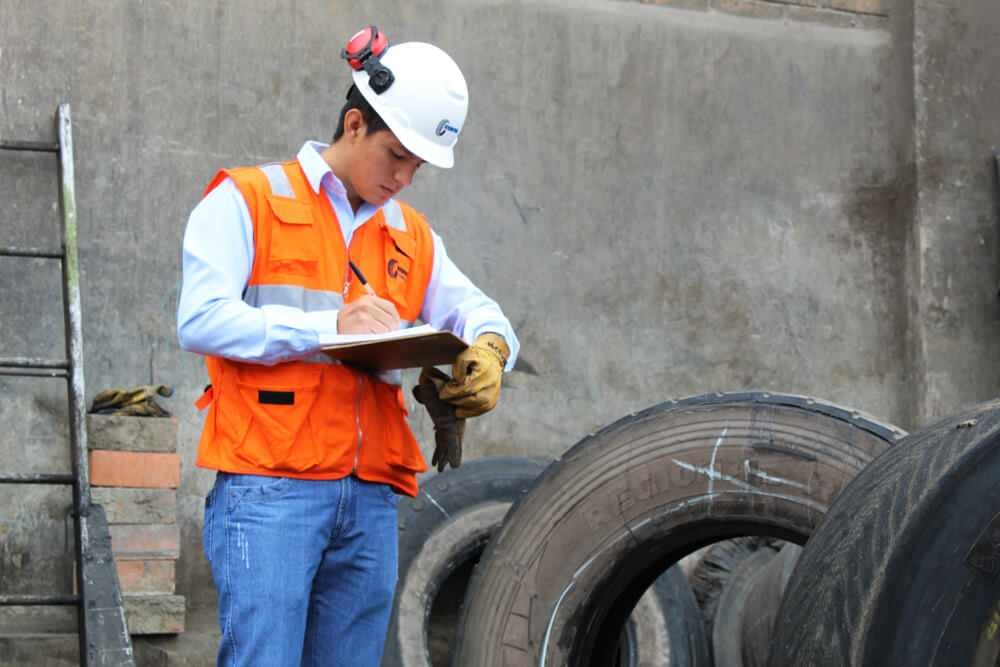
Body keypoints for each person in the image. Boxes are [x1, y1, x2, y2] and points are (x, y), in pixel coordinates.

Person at [176, 26, 518, 667]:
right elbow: (200, 320)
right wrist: (331, 327)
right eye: (397, 155)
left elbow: (475, 308)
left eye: (417, 166)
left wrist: (491, 347)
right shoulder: (248, 199)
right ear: (355, 123)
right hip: (270, 487)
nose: (405, 177)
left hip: (368, 497)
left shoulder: (410, 234)